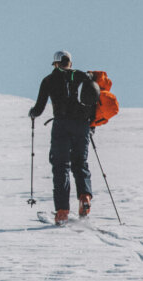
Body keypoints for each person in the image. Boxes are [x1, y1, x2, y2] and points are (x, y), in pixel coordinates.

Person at [28, 51, 95, 225]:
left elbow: (39, 108)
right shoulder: (82, 77)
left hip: (62, 125)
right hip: (82, 125)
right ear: (70, 63)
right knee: (80, 162)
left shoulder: (49, 80)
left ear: (56, 64)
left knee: (61, 166)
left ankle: (62, 211)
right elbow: (94, 101)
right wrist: (91, 126)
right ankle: (85, 196)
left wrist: (32, 114)